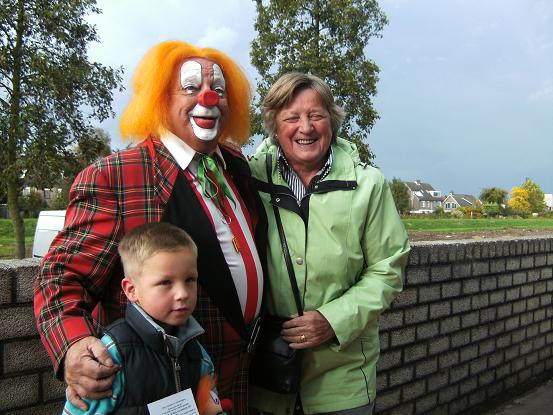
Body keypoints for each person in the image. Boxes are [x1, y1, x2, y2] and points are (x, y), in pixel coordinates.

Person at [34, 41, 266, 414]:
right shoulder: (116, 175)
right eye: (191, 87)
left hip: (240, 382)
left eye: (220, 90)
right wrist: (73, 346)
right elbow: (61, 278)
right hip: (166, 387)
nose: (209, 97)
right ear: (160, 98)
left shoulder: (235, 164)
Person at [247, 72, 410, 415]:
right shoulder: (248, 179)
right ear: (274, 125)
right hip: (265, 379)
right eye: (291, 117)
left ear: (331, 122)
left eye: (316, 116)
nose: (305, 128)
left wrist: (333, 320)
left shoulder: (368, 185)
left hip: (343, 381)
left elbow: (388, 268)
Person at [62, 222, 225, 414]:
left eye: (189, 280)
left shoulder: (198, 355)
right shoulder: (111, 357)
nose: (182, 293)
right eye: (166, 282)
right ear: (131, 290)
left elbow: (211, 409)